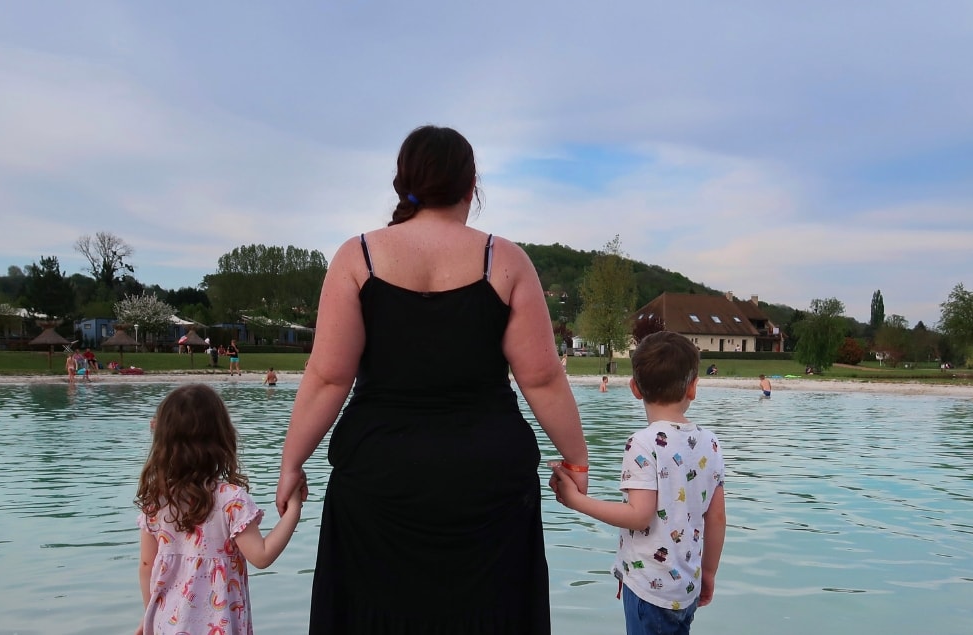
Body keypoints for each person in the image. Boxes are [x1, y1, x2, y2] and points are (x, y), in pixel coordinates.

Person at [277, 125, 589, 634]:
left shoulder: (358, 258)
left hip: (379, 477)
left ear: (403, 184)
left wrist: (292, 462)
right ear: (472, 188)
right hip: (488, 482)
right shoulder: (504, 260)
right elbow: (543, 377)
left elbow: (329, 377)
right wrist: (576, 458)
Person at [549, 331, 726, 635]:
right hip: (687, 588)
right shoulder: (710, 443)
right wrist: (708, 571)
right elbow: (718, 517)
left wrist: (576, 500)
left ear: (634, 388)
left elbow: (639, 515)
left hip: (650, 591)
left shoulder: (643, 444)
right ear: (693, 388)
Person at [134, 384, 305, 635]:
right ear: (222, 437)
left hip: (166, 624)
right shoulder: (230, 500)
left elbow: (147, 565)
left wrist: (149, 615)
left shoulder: (157, 501)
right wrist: (294, 510)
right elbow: (262, 555)